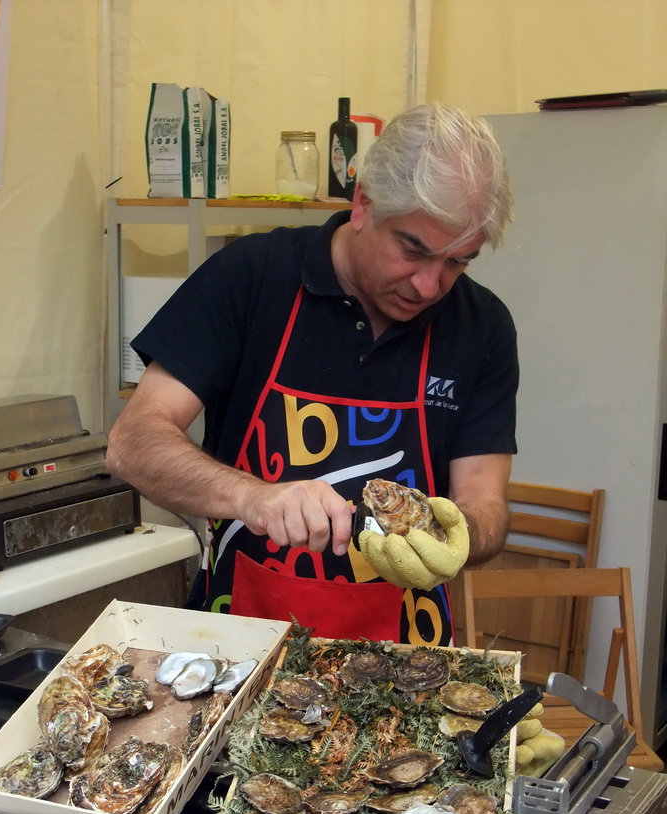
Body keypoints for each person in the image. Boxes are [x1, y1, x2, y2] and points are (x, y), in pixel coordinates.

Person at [106, 102, 518, 647]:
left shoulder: (481, 326)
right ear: (364, 205)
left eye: (457, 261)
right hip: (244, 640)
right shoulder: (252, 278)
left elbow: (485, 503)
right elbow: (132, 442)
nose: (428, 285)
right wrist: (253, 497)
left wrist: (452, 531)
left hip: (406, 658)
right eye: (412, 249)